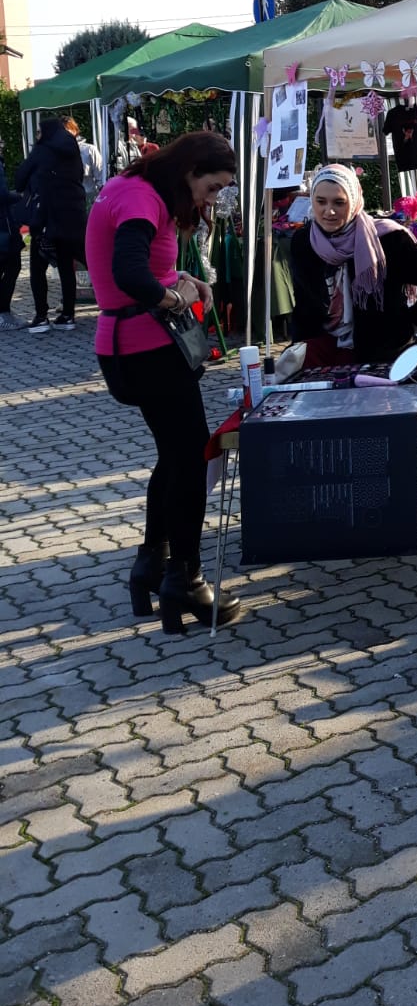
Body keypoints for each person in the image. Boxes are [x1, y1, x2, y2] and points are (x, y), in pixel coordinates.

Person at [86, 131, 239, 633]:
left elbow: (141, 266)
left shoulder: (133, 189)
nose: (211, 200)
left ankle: (152, 565)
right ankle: (186, 579)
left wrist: (182, 280)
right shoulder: (140, 198)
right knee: (193, 458)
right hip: (146, 349)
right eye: (212, 187)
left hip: (131, 346)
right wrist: (174, 299)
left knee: (175, 457)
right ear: (189, 170)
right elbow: (128, 273)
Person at [289, 163, 417, 366]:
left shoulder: (389, 240)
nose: (329, 211)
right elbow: (304, 303)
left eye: (339, 202)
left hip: (383, 356)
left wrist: (406, 327)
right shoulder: (304, 241)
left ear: (354, 201)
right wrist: (299, 348)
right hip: (323, 356)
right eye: (321, 202)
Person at [16, 117, 89, 332]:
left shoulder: (41, 151)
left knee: (38, 269)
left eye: (39, 132)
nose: (38, 136)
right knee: (66, 267)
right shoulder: (72, 149)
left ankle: (41, 317)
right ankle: (68, 315)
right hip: (71, 218)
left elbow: (20, 179)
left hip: (46, 219)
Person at [0, 149, 25, 329]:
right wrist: (20, 195)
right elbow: (2, 195)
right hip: (3, 225)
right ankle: (3, 313)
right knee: (12, 266)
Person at [63, 116, 104, 202]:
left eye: (67, 130)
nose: (64, 134)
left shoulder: (90, 150)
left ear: (75, 130)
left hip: (88, 198)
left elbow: (101, 177)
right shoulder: (55, 153)